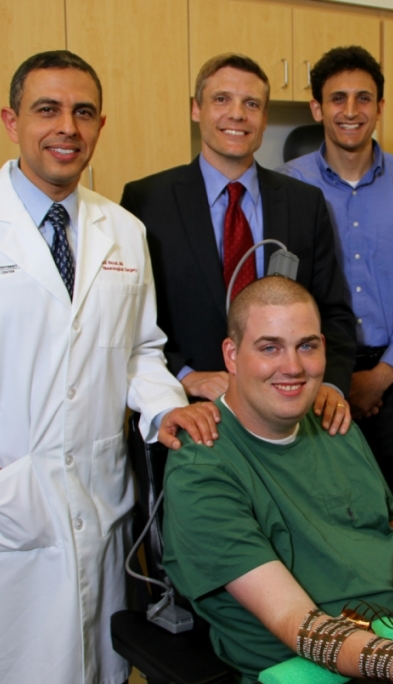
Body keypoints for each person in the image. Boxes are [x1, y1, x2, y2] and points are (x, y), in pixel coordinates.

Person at [0, 51, 219, 684]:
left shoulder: (124, 230)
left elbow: (140, 348)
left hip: (100, 503)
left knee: (101, 666)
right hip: (0, 510)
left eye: (83, 112)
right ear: (12, 120)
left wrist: (165, 406)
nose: (67, 127)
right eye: (47, 109)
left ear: (101, 125)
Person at [162, 276, 393, 684]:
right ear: (231, 355)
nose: (294, 367)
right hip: (314, 664)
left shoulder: (332, 420)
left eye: (307, 346)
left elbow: (391, 518)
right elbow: (295, 621)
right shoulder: (203, 466)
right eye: (270, 348)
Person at [121, 53, 356, 435]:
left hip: (288, 412)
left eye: (252, 104)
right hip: (192, 413)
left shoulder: (304, 203)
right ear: (196, 109)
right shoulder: (147, 201)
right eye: (221, 100)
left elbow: (334, 312)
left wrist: (330, 385)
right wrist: (185, 374)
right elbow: (129, 321)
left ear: (264, 118)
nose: (237, 114)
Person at [278, 46, 393, 532]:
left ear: (380, 107)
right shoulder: (288, 186)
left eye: (363, 99)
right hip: (311, 380)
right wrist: (333, 378)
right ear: (317, 108)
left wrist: (382, 375)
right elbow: (281, 293)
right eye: (337, 99)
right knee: (323, 517)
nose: (351, 112)